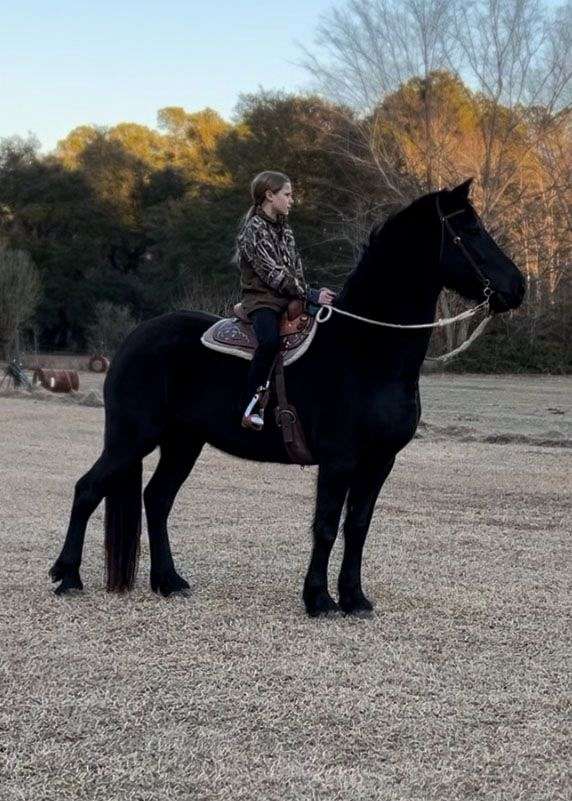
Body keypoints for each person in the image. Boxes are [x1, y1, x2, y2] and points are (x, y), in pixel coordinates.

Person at [235, 171, 336, 430]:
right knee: (268, 342)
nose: (292, 200)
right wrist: (311, 294)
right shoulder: (252, 231)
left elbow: (295, 270)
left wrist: (313, 295)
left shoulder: (285, 229)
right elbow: (274, 275)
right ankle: (251, 405)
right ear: (270, 196)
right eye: (287, 195)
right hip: (263, 301)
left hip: (290, 296)